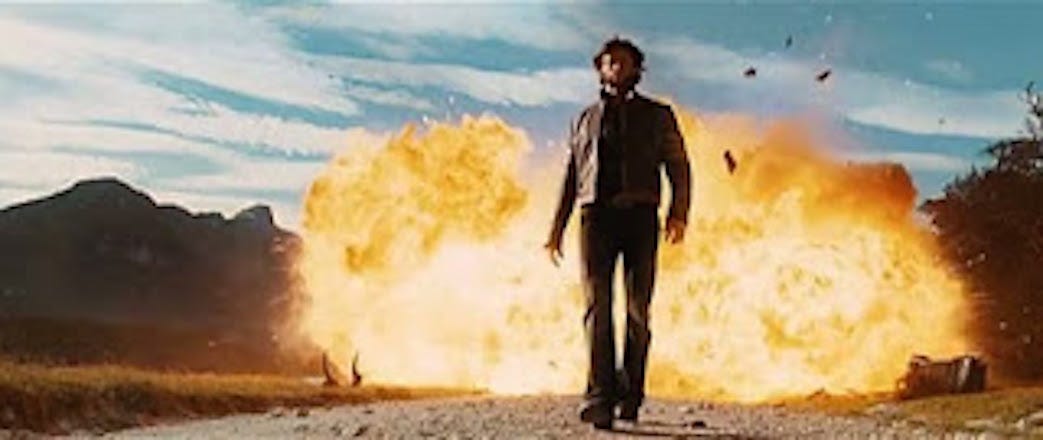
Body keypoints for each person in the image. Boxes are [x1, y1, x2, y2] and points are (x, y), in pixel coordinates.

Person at [544, 37, 691, 429]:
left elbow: (678, 165)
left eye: (623, 62)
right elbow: (571, 177)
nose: (616, 68)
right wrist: (556, 229)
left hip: (640, 216)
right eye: (609, 62)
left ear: (637, 69)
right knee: (597, 306)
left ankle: (631, 392)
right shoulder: (583, 119)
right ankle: (599, 397)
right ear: (600, 70)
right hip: (595, 218)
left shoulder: (658, 115)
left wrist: (678, 213)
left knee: (637, 308)